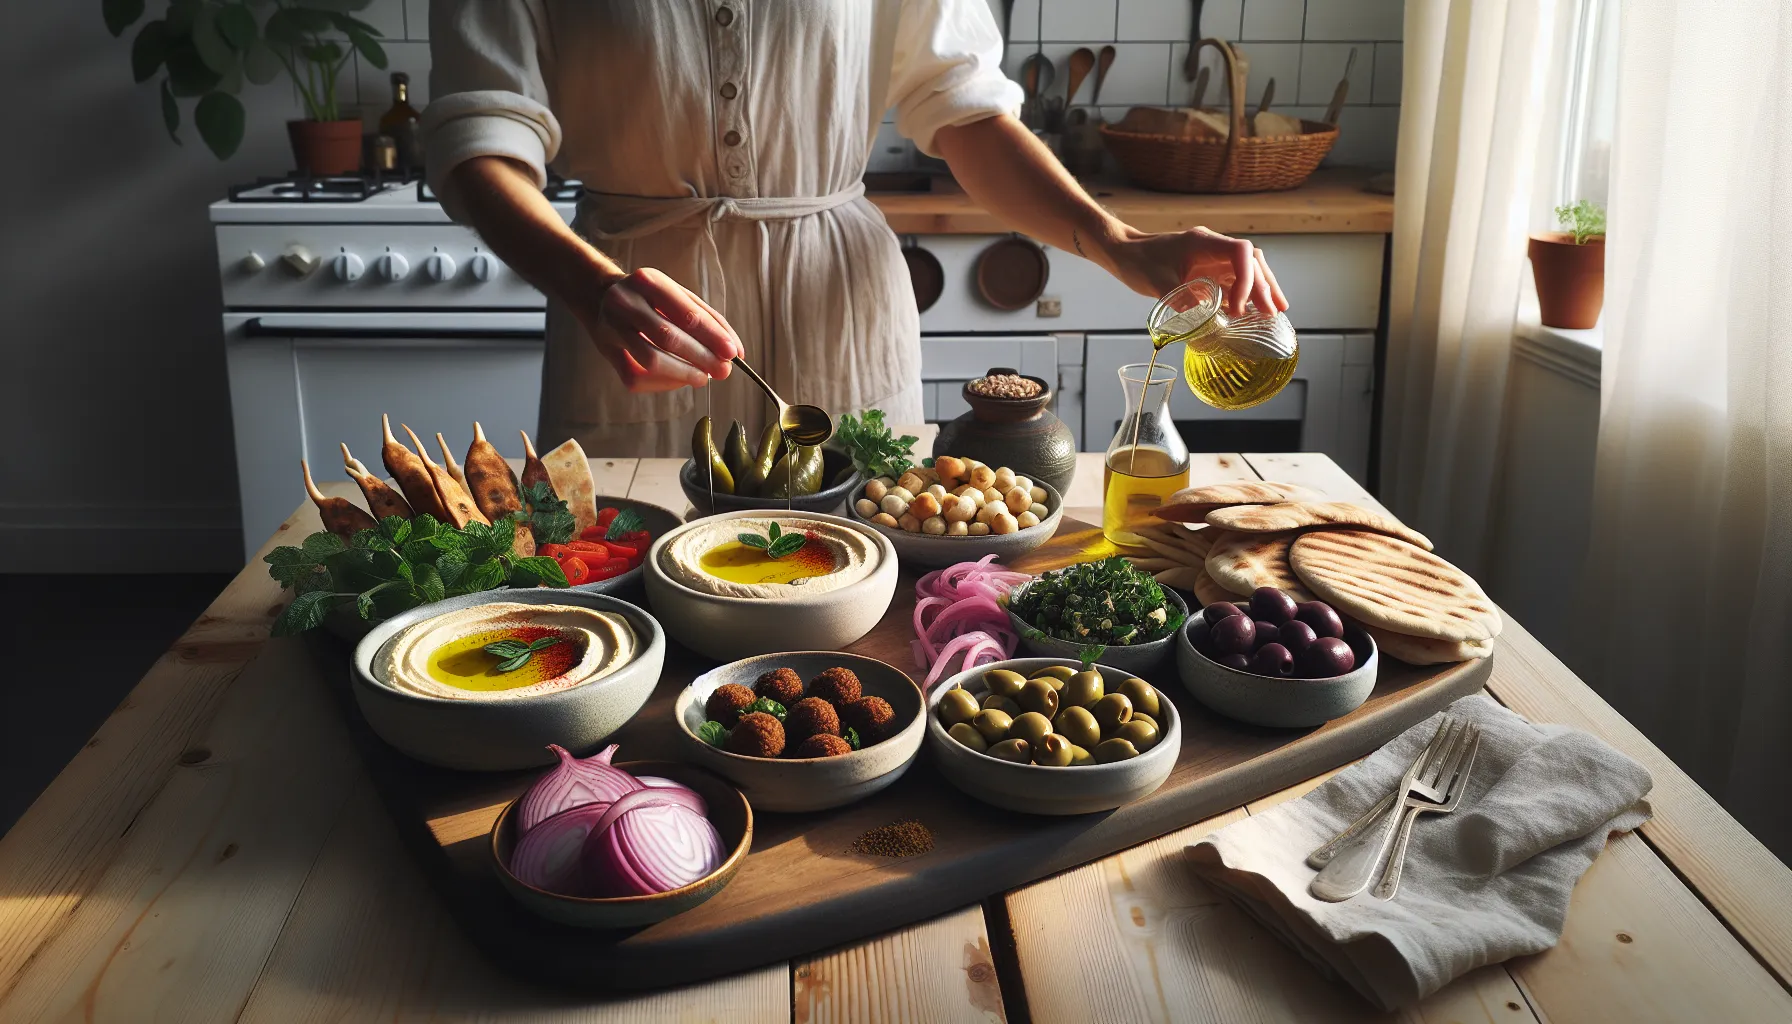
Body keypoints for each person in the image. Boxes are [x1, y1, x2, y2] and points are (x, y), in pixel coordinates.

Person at [423, 1, 1288, 457]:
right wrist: (591, 287)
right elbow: (480, 137)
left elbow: (963, 109)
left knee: (868, 595)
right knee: (628, 587)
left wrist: (1119, 242)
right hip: (631, 309)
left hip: (840, 313)